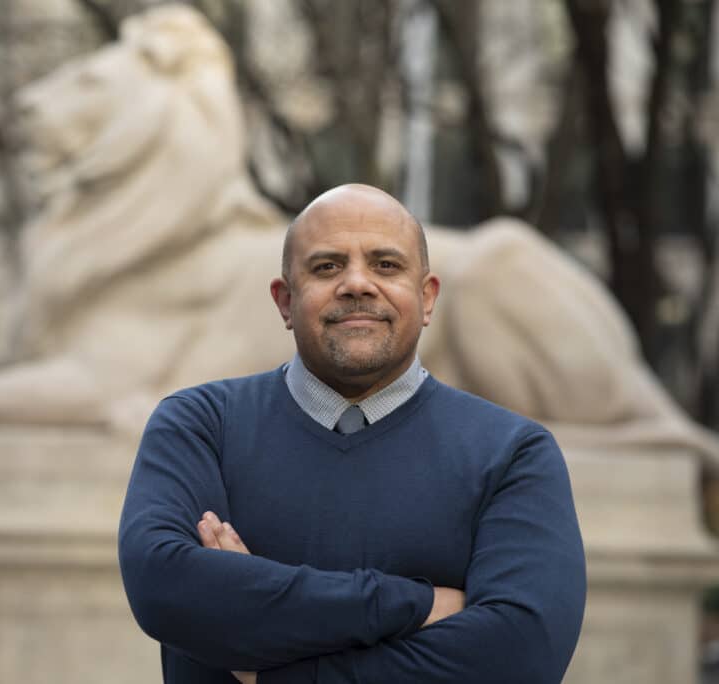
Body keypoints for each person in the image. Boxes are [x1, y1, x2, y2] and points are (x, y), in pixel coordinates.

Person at [118, 184, 586, 683]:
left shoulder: (513, 454)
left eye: (386, 265)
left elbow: (520, 654)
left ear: (427, 298)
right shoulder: (200, 425)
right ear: (284, 301)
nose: (357, 284)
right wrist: (418, 602)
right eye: (327, 267)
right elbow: (165, 584)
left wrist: (272, 664)